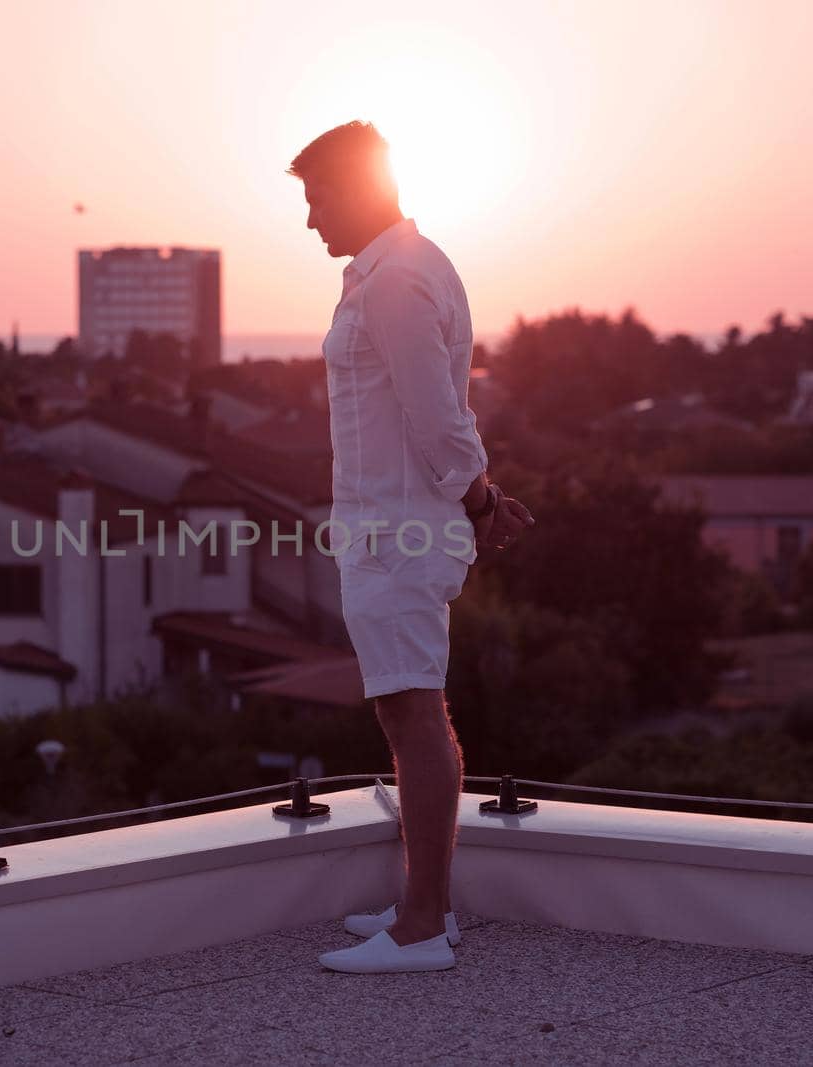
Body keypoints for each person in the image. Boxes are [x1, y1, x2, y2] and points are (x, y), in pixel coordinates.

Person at [287, 120, 534, 974]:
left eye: (318, 197)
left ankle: (424, 927)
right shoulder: (400, 269)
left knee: (413, 712)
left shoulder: (396, 283)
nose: (312, 219)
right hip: (394, 527)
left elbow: (438, 418)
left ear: (358, 186)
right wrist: (476, 500)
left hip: (399, 532)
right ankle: (420, 906)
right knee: (410, 710)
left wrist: (481, 501)